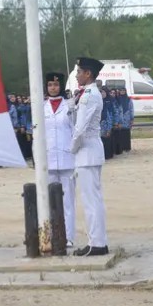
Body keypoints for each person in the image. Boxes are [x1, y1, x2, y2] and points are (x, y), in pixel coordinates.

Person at [70, 57, 108, 257]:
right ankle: (99, 241)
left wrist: (72, 149)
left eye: (79, 72)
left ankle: (97, 244)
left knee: (90, 201)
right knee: (94, 199)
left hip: (86, 151)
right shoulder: (88, 93)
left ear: (88, 74)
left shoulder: (89, 95)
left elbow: (80, 128)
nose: (77, 75)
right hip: (91, 151)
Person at [43, 72, 76, 247]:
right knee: (49, 201)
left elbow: (75, 131)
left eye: (56, 85)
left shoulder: (69, 106)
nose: (53, 88)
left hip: (66, 158)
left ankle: (68, 236)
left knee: (67, 201)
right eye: (50, 85)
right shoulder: (42, 107)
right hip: (48, 159)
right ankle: (51, 235)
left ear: (61, 86)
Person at [100, 87, 115, 160]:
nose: (102, 94)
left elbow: (112, 113)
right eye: (101, 92)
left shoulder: (110, 101)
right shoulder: (98, 102)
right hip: (100, 123)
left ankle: (108, 155)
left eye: (103, 92)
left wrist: (110, 126)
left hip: (107, 122)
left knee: (107, 138)